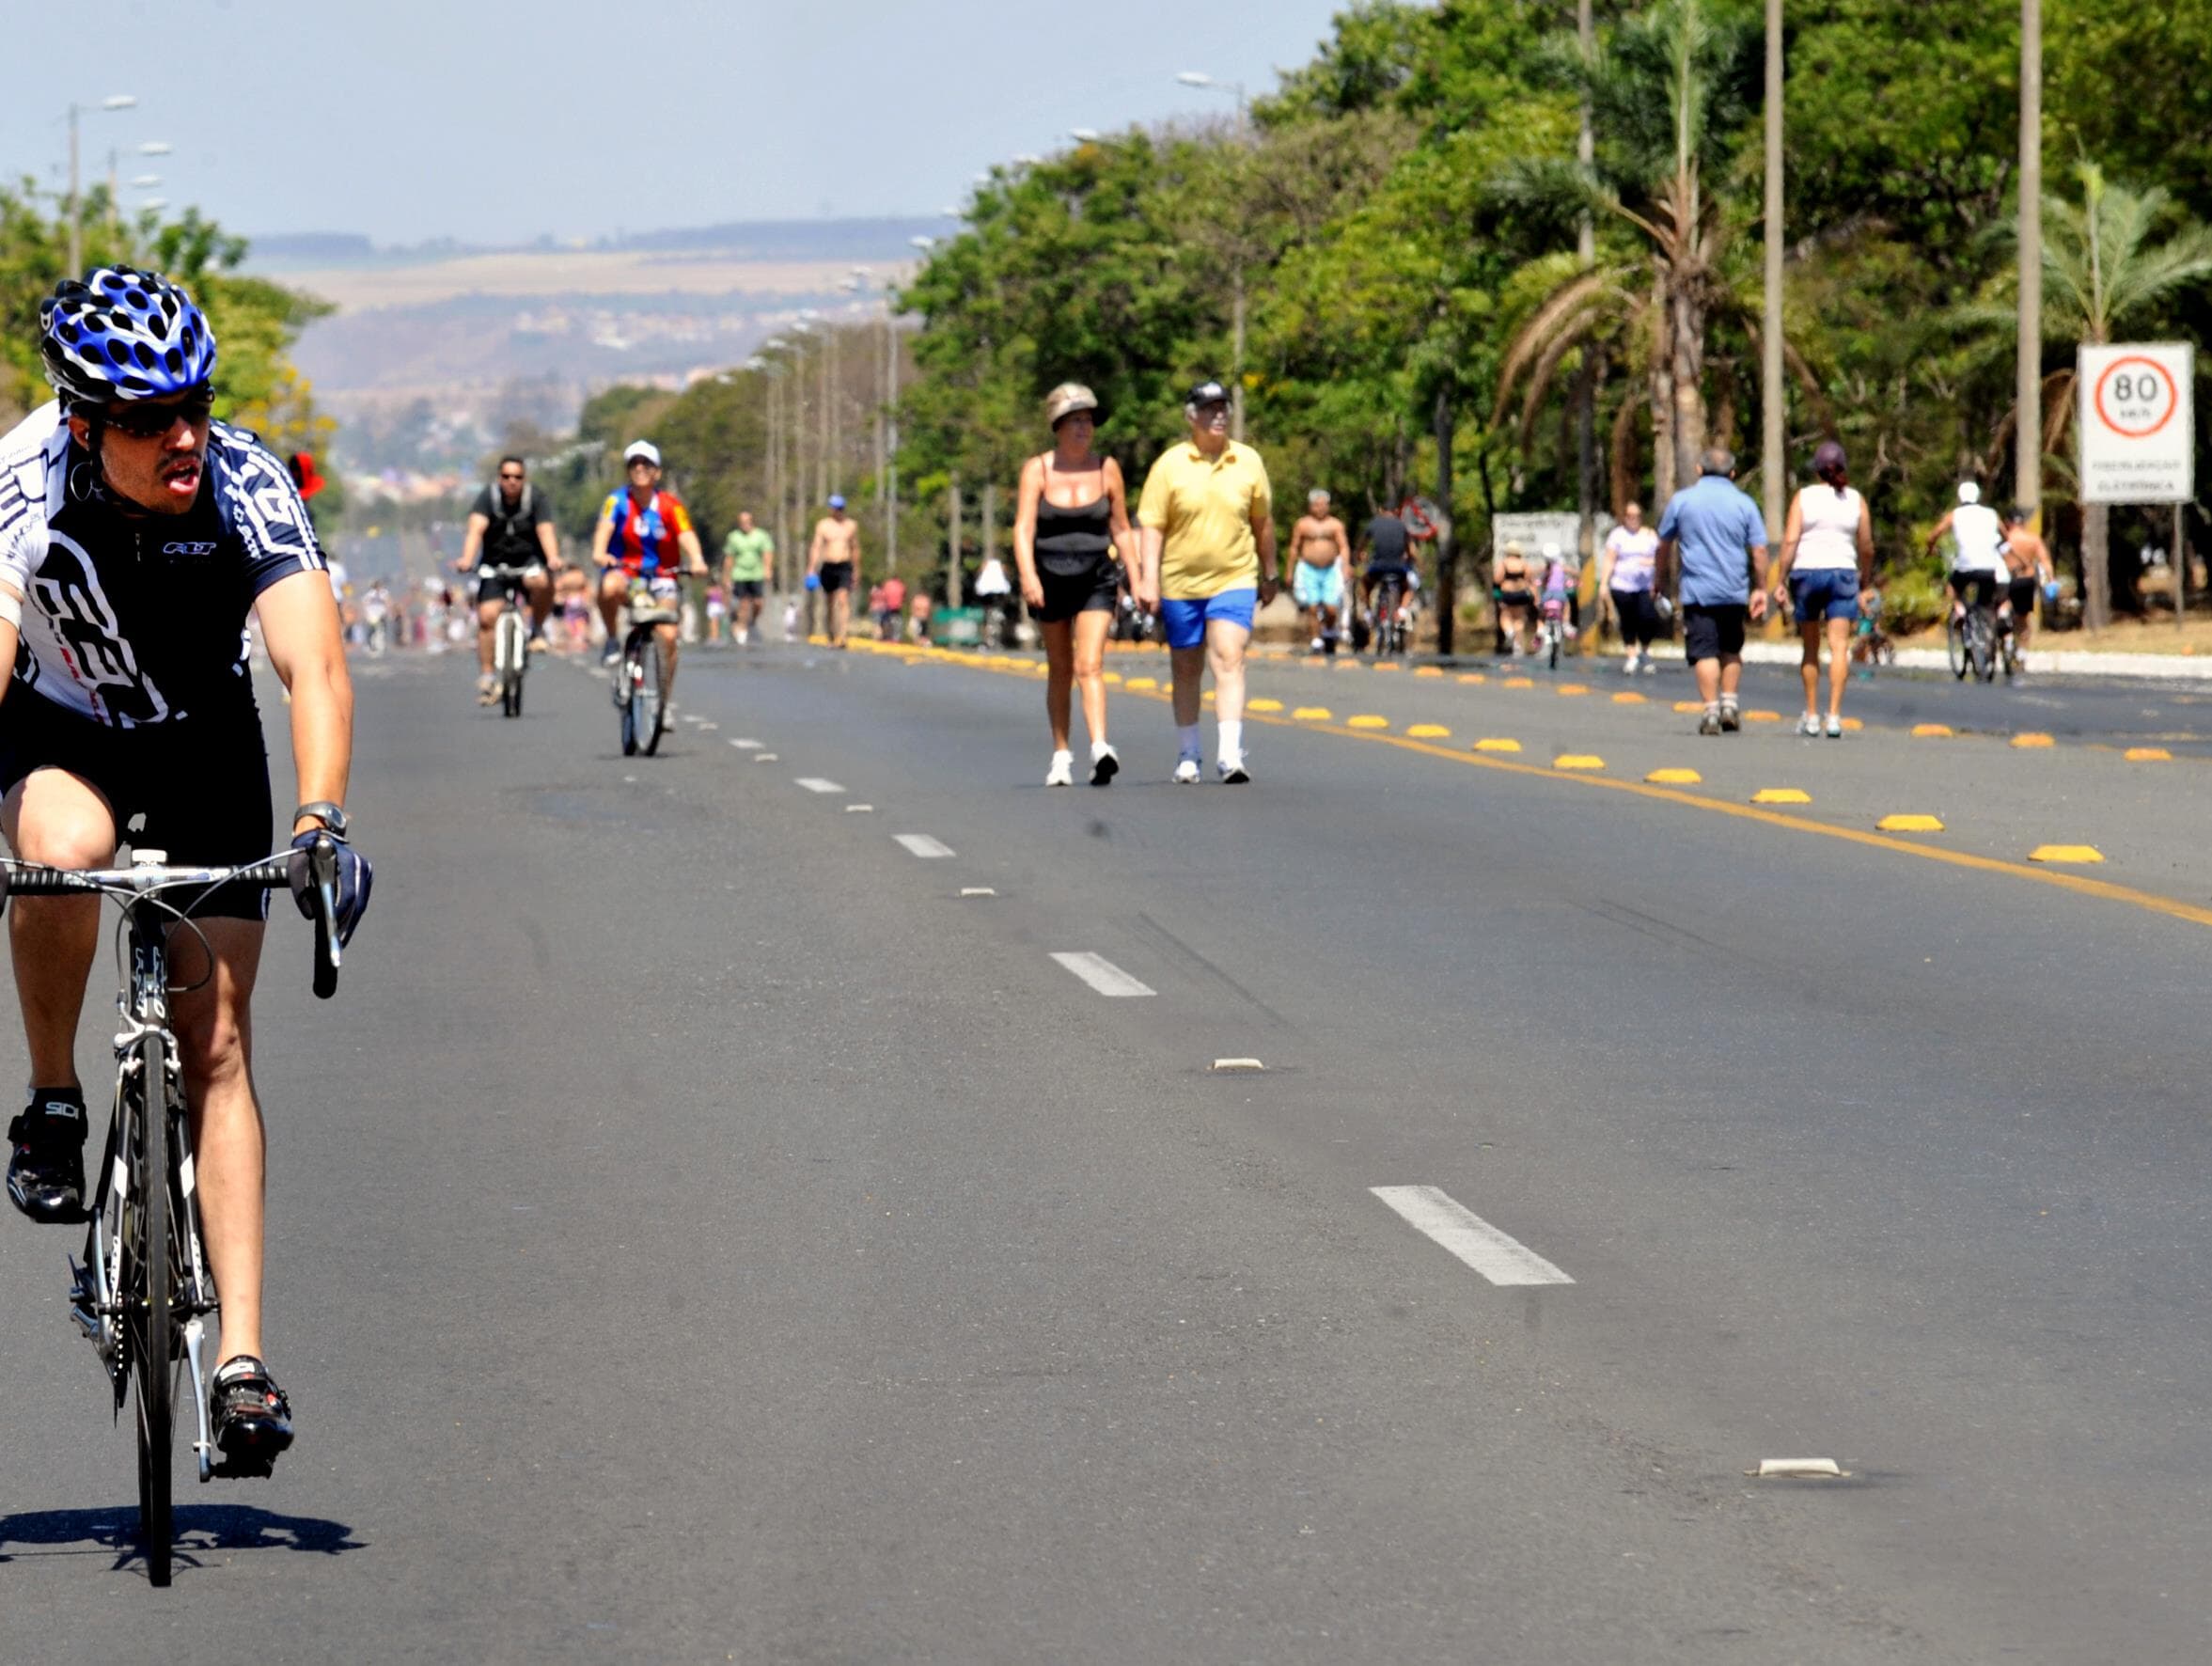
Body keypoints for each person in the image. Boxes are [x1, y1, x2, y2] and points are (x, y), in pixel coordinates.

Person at [1, 265, 373, 1474]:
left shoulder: (248, 478)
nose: (184, 435)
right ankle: (56, 1099)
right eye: (151, 418)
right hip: (62, 729)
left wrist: (321, 816)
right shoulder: (25, 482)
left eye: (196, 404)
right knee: (60, 852)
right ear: (80, 423)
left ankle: (243, 1361)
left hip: (206, 741)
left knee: (217, 1045)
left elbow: (310, 663)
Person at [1135, 378, 1278, 783]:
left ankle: (1230, 755)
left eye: (1223, 408)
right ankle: (1188, 752)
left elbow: (1262, 523)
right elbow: (1153, 526)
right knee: (1186, 667)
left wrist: (1269, 573)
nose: (1218, 415)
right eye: (1209, 408)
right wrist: (1148, 579)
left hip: (1234, 575)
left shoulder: (1248, 461)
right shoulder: (1170, 465)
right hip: (1180, 582)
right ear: (1192, 416)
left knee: (1229, 655)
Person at [1012, 383, 1132, 786]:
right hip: (1049, 577)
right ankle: (1061, 754)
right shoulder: (1038, 469)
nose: (1084, 428)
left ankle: (1101, 747)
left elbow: (1122, 527)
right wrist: (1028, 576)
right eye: (1075, 421)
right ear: (1058, 426)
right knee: (1060, 668)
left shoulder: (1107, 468)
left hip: (1096, 575)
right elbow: (1024, 527)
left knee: (1090, 664)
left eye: (1088, 421)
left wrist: (1140, 577)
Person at [1656, 448, 1770, 734]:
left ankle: (1710, 711)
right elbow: (1758, 550)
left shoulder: (1682, 501)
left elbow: (1663, 545)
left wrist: (1660, 581)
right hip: (1734, 590)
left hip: (1698, 591)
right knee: (1731, 648)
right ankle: (1730, 704)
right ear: (1733, 473)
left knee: (1705, 650)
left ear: (1698, 469)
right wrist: (1761, 588)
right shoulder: (1744, 503)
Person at [1767, 439, 1874, 737]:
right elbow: (1866, 546)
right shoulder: (1855, 499)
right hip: (1842, 573)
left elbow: (1790, 541)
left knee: (1810, 647)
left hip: (1807, 574)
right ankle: (1835, 716)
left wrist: (1780, 581)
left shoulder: (1804, 497)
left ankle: (1812, 715)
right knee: (1839, 646)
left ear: (1816, 470)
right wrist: (1864, 582)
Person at [590, 440, 708, 701]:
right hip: (627, 573)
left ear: (658, 472)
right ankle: (612, 639)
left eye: (647, 464)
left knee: (668, 635)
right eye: (634, 463)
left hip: (663, 576)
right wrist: (600, 553)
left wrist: (697, 559)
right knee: (608, 587)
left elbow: (686, 533)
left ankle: (664, 700)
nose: (640, 468)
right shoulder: (616, 500)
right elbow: (605, 528)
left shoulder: (670, 504)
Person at [458, 454, 558, 705]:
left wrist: (554, 557)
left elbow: (545, 530)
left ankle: (536, 630)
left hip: (527, 564)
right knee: (487, 617)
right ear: (499, 478)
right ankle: (488, 675)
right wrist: (467, 558)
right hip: (494, 565)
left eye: (517, 477)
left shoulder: (536, 498)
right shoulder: (487, 498)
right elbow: (475, 529)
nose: (512, 482)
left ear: (524, 479)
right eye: (506, 477)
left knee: (543, 583)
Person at [1925, 480, 2005, 625]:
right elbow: (2006, 536)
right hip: (1988, 568)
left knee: (1952, 586)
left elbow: (1933, 535)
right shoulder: (1992, 514)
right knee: (1985, 600)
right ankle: (1986, 630)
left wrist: (1931, 548)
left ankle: (1959, 609)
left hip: (1965, 567)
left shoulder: (1955, 515)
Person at [1597, 501, 1661, 673]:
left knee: (1647, 617)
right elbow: (1610, 560)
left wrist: (1653, 567)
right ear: (1624, 517)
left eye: (1637, 516)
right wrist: (1603, 584)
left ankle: (1645, 651)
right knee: (1628, 620)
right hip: (1622, 585)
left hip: (1644, 586)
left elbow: (1661, 559)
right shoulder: (1617, 535)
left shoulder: (1649, 535)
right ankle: (1631, 655)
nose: (1633, 519)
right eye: (1629, 516)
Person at [1290, 489, 1350, 653]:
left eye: (1324, 505)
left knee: (1331, 607)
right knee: (1313, 606)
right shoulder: (1303, 524)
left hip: (1330, 569)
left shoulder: (1335, 525)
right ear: (1311, 506)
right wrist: (1289, 570)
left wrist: (1346, 566)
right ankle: (1316, 640)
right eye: (1317, 505)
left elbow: (1343, 547)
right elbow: (1294, 548)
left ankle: (1329, 631)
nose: (1320, 508)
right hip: (1309, 569)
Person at [2000, 507, 2056, 673]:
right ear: (2023, 522)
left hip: (2006, 579)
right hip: (2026, 579)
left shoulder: (2005, 539)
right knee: (2023, 619)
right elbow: (2045, 561)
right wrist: (2050, 580)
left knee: (2003, 608)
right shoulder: (2033, 539)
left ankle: (2008, 639)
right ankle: (2022, 655)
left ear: (2008, 523)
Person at [1359, 503, 1415, 654]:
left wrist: (1360, 555)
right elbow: (1411, 551)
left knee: (1365, 583)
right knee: (1407, 588)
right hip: (1398, 569)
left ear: (1380, 510)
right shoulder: (1402, 526)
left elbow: (1361, 547)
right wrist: (1409, 559)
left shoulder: (1373, 524)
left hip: (1378, 568)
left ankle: (1368, 612)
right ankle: (1401, 612)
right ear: (1396, 511)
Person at [807, 494, 862, 648]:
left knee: (843, 599)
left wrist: (857, 569)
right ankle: (831, 633)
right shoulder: (823, 525)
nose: (837, 511)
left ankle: (843, 636)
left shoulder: (851, 525)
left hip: (844, 565)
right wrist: (811, 568)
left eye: (840, 508)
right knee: (830, 602)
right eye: (834, 508)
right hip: (828, 566)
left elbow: (855, 548)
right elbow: (816, 547)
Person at [721, 510, 774, 646]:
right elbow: (729, 558)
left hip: (756, 573)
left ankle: (752, 621)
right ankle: (742, 629)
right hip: (740, 574)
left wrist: (767, 569)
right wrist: (726, 577)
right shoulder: (733, 537)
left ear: (752, 522)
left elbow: (767, 553)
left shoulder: (761, 535)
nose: (744, 525)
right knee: (743, 603)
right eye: (741, 522)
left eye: (747, 522)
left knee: (758, 602)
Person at [1494, 539, 1536, 655]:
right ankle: (1518, 645)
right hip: (1521, 594)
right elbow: (1529, 579)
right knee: (1519, 619)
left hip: (1507, 594)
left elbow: (1497, 578)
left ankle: (1509, 632)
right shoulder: (1524, 564)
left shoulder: (1504, 563)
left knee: (1505, 616)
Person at [876, 573, 907, 639]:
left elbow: (883, 595)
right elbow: (904, 596)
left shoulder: (887, 584)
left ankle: (885, 636)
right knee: (897, 624)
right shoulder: (901, 585)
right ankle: (895, 638)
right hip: (897, 607)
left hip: (888, 606)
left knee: (885, 622)